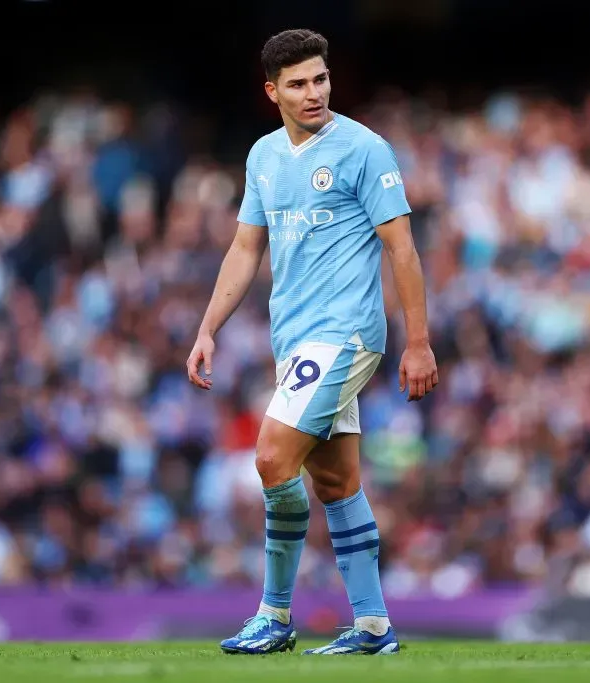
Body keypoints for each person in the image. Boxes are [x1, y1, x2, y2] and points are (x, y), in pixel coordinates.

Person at [187, 28, 438, 655]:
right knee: (336, 483)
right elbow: (247, 248)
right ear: (272, 91)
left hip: (347, 334)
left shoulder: (363, 148)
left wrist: (420, 342)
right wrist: (207, 329)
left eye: (320, 79)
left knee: (272, 457)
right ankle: (373, 625)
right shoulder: (264, 157)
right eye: (297, 84)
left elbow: (401, 247)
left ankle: (273, 615)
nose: (313, 93)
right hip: (295, 343)